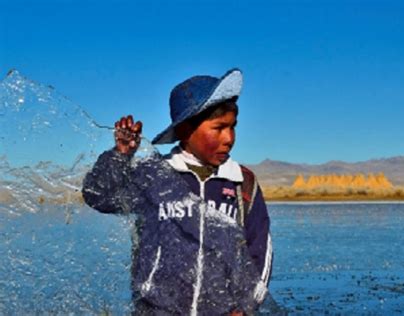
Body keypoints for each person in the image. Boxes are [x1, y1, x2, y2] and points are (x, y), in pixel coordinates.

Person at [82, 68, 273, 315]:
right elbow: (98, 197)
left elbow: (260, 249)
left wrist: (246, 307)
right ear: (184, 130)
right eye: (218, 128)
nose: (229, 138)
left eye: (232, 127)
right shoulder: (155, 176)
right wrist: (120, 156)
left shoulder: (242, 183)